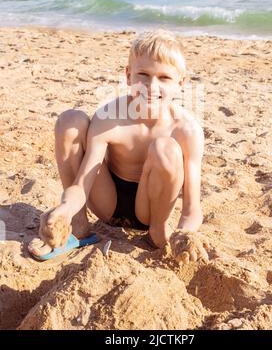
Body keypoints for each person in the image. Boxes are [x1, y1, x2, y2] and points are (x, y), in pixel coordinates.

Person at [28, 29, 208, 263]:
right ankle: (78, 227)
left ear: (180, 83)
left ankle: (157, 233)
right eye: (143, 74)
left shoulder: (187, 129)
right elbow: (83, 185)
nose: (151, 87)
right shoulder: (109, 118)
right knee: (69, 121)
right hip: (107, 202)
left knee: (165, 148)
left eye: (164, 78)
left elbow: (192, 209)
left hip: (151, 210)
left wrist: (186, 233)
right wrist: (65, 209)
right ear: (129, 76)